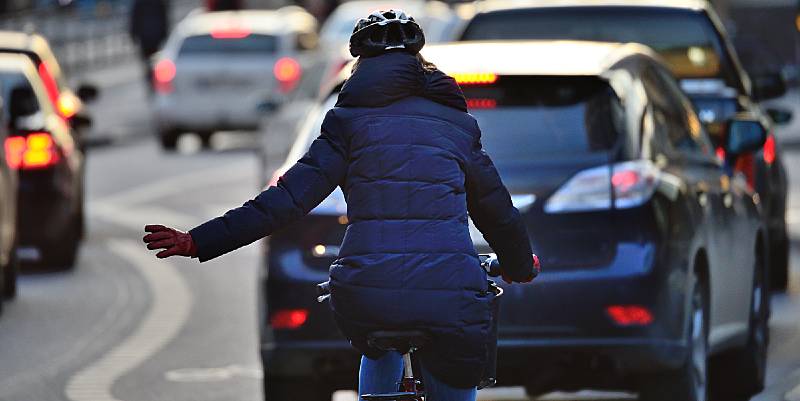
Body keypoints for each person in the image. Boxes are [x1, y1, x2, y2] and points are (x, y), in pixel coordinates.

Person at [142, 9, 537, 401]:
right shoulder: (456, 126)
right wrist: (519, 265)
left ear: (361, 67)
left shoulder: (345, 123)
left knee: (379, 338)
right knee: (454, 353)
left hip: (367, 289)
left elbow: (284, 201)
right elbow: (496, 210)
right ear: (420, 64)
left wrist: (199, 240)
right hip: (450, 290)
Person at [129, 0, 169, 91]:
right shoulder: (159, 2)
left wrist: (133, 35)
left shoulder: (139, 3)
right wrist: (165, 35)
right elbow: (165, 18)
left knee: (148, 63)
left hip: (145, 38)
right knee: (157, 63)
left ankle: (151, 83)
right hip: (157, 37)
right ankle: (156, 83)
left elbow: (134, 19)